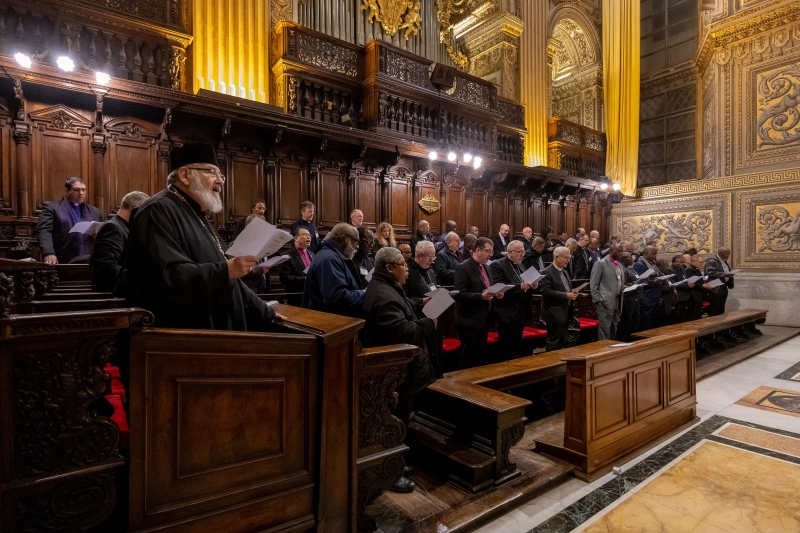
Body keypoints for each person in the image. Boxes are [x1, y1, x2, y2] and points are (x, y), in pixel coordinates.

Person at [126, 142, 283, 330]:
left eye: (220, 174)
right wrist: (224, 271)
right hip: (178, 336)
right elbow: (166, 277)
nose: (220, 181)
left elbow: (232, 281)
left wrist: (265, 312)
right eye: (211, 172)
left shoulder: (197, 214)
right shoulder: (157, 211)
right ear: (184, 175)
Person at [363, 246, 437, 494]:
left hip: (402, 371)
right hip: (395, 372)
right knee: (393, 421)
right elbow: (402, 333)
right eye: (403, 265)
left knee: (401, 419)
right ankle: (389, 472)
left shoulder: (387, 287)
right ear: (389, 268)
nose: (407, 269)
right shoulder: (384, 294)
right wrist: (429, 323)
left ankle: (396, 462)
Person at [453, 237, 504, 369]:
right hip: (469, 319)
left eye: (492, 252)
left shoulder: (487, 267)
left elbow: (489, 287)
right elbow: (459, 294)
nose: (490, 255)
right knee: (467, 356)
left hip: (484, 319)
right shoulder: (463, 268)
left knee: (480, 356)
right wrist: (481, 296)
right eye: (488, 251)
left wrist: (497, 293)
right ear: (478, 250)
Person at [90, 190, 149, 294]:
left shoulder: (124, 227)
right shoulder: (113, 227)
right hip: (112, 297)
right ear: (135, 207)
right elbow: (106, 267)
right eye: (145, 211)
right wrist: (139, 277)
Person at [302, 222, 364, 318]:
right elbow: (338, 298)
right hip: (329, 321)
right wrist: (363, 293)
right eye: (355, 241)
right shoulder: (329, 259)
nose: (357, 246)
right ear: (344, 239)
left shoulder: (332, 256)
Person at [37, 177, 104, 264]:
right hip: (63, 258)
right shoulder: (53, 208)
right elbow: (44, 231)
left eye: (83, 190)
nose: (81, 193)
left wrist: (98, 235)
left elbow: (104, 234)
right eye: (76, 190)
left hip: (91, 260)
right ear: (67, 191)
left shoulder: (95, 211)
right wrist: (49, 253)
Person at [491, 240, 536, 360]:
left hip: (520, 309)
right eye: (519, 252)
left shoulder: (521, 265)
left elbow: (525, 283)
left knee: (517, 343)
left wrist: (532, 286)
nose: (522, 254)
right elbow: (499, 285)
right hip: (507, 310)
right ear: (510, 252)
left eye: (523, 252)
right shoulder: (498, 265)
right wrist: (519, 287)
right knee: (506, 344)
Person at [538, 246, 580, 351]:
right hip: (553, 312)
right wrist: (566, 295)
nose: (568, 260)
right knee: (553, 340)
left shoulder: (565, 272)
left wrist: (572, 293)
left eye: (569, 258)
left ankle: (560, 363)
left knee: (562, 340)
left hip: (565, 311)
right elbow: (545, 291)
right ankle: (552, 364)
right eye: (566, 258)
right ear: (557, 257)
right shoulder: (547, 272)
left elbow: (565, 289)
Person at [589, 244, 625, 340]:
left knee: (614, 327)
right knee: (605, 329)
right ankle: (603, 350)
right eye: (618, 251)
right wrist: (598, 300)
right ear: (611, 251)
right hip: (605, 301)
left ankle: (612, 348)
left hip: (617, 299)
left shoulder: (620, 265)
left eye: (622, 251)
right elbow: (593, 283)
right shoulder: (601, 263)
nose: (621, 253)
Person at [632, 245, 662, 332]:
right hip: (646, 296)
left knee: (651, 320)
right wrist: (654, 282)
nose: (655, 256)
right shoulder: (639, 264)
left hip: (654, 295)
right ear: (646, 253)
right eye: (653, 254)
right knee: (645, 320)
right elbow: (638, 281)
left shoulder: (652, 264)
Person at [403, 241, 437, 309]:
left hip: (433, 311)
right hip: (416, 314)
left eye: (433, 257)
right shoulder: (406, 272)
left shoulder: (431, 271)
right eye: (429, 258)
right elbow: (403, 299)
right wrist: (422, 301)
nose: (432, 261)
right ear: (419, 256)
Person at [279, 227, 315, 292]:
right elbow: (284, 278)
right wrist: (304, 279)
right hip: (295, 294)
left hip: (311, 293)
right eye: (304, 235)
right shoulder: (286, 255)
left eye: (309, 235)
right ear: (296, 238)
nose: (308, 237)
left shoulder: (312, 254)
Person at [617, 252, 642, 341]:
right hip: (628, 300)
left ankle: (632, 340)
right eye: (628, 258)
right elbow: (622, 285)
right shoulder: (622, 270)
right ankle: (625, 341)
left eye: (631, 257)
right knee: (626, 323)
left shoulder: (631, 269)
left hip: (636, 299)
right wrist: (636, 283)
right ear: (622, 260)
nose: (631, 259)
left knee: (635, 322)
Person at [704, 247, 734, 316]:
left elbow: (725, 271)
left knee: (721, 307)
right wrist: (725, 274)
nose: (729, 255)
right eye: (727, 254)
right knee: (715, 308)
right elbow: (710, 272)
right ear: (721, 253)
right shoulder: (712, 261)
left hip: (723, 286)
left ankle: (721, 322)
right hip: (715, 287)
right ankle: (714, 323)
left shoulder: (724, 261)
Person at [686, 254, 713, 320]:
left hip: (698, 294)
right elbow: (693, 283)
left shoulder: (695, 268)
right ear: (695, 261)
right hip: (694, 295)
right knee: (693, 315)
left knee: (698, 314)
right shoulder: (689, 269)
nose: (702, 264)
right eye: (701, 262)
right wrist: (703, 286)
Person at [669, 254, 691, 323]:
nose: (683, 264)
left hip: (685, 295)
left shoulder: (681, 268)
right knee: (677, 316)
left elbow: (685, 278)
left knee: (683, 316)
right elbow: (674, 283)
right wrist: (687, 285)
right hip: (678, 295)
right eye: (681, 262)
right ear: (675, 262)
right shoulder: (671, 270)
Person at [656, 258, 677, 327]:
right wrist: (671, 286)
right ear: (660, 266)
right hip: (663, 302)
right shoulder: (658, 276)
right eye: (666, 266)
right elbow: (662, 289)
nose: (668, 268)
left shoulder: (665, 275)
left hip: (670, 301)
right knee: (663, 322)